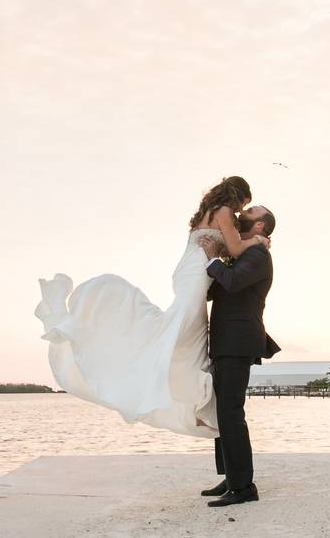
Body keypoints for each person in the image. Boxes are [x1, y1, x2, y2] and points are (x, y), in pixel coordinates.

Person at [34, 176, 270, 438]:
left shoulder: (210, 209)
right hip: (196, 274)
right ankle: (185, 397)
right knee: (183, 337)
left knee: (185, 337)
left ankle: (193, 401)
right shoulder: (224, 211)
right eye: (243, 205)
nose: (240, 212)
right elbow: (236, 250)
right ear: (237, 195)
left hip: (191, 272)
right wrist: (258, 241)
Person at [198, 206, 280, 507]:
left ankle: (244, 486)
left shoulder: (258, 256)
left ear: (259, 225)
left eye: (251, 210)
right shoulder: (245, 252)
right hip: (224, 342)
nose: (243, 210)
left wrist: (214, 259)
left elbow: (231, 281)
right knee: (223, 412)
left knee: (231, 412)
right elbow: (218, 289)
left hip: (237, 342)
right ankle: (231, 477)